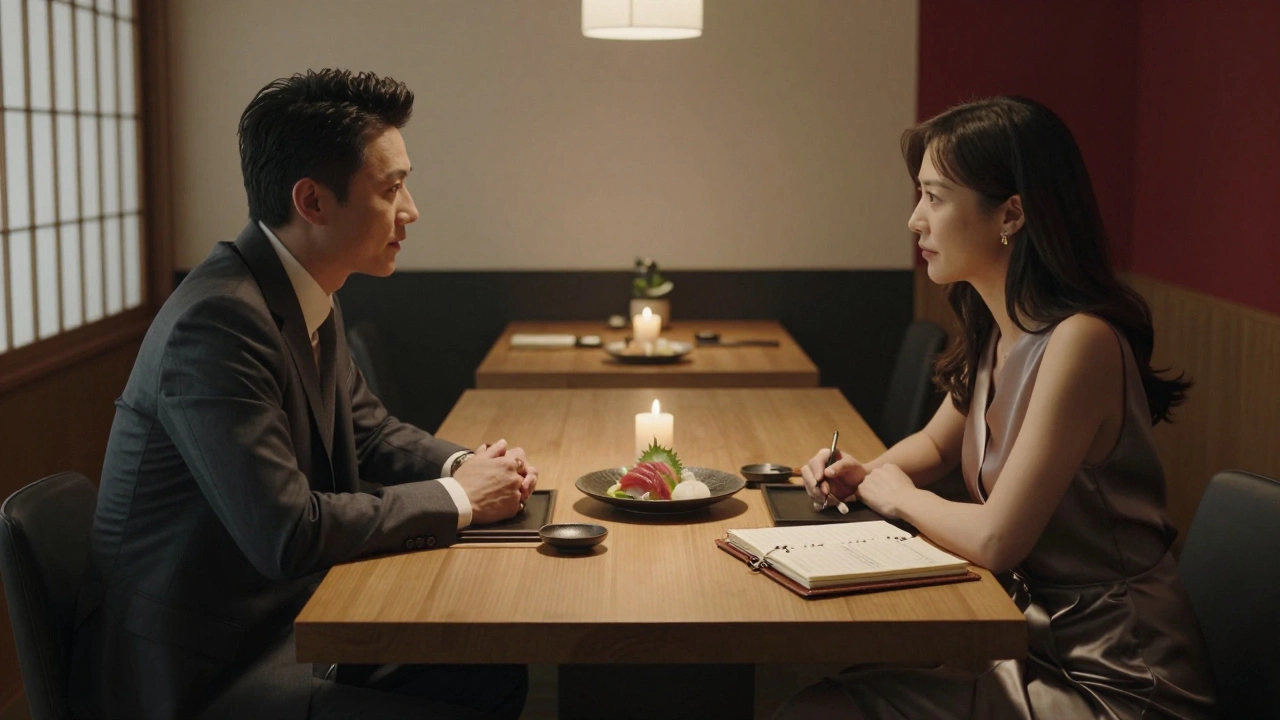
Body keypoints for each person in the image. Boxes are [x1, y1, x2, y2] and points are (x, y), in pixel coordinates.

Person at [68, 69, 535, 720]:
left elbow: (369, 430)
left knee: (490, 671)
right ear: (313, 202)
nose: (411, 210)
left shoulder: (302, 288)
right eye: (392, 188)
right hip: (203, 670)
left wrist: (468, 467)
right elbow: (286, 533)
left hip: (282, 622)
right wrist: (460, 499)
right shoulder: (219, 322)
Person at [777, 96, 1217, 719]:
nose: (914, 221)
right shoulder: (996, 327)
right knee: (825, 698)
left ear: (1010, 213)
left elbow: (997, 539)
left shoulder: (1080, 342)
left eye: (934, 197)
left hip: (1118, 678)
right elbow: (934, 447)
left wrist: (895, 493)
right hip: (1026, 641)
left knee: (822, 710)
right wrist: (862, 469)